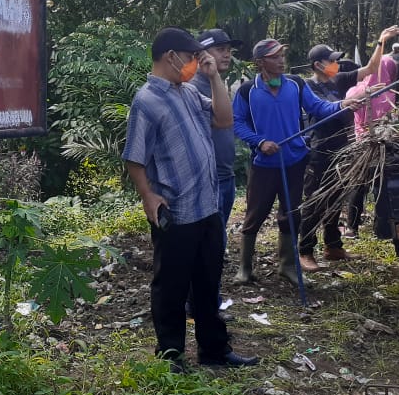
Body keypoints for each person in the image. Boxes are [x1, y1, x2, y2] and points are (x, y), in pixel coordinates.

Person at [123, 27, 258, 372]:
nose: (197, 63)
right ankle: (171, 356)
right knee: (171, 286)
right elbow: (134, 157)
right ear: (171, 57)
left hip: (207, 206)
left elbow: (224, 119)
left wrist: (214, 79)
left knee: (207, 283)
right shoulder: (146, 100)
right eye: (192, 57)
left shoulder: (186, 92)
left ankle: (214, 350)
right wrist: (147, 195)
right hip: (177, 209)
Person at [232, 38, 356, 286]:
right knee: (255, 215)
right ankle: (245, 268)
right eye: (275, 56)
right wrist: (259, 141)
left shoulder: (295, 85)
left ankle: (287, 266)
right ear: (260, 63)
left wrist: (342, 104)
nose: (281, 60)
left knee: (290, 214)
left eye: (282, 55)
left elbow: (319, 108)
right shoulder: (248, 90)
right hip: (265, 164)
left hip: (295, 161)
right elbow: (237, 122)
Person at [298, 26, 399, 271]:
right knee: (315, 201)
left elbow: (370, 70)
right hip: (320, 151)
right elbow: (324, 108)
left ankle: (333, 246)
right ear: (317, 65)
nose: (336, 64)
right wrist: (351, 101)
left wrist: (380, 42)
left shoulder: (338, 79)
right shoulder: (308, 87)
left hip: (342, 149)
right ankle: (305, 250)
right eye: (331, 61)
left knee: (335, 198)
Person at [343, 53, 399, 236]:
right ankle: (381, 227)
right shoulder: (394, 93)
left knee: (358, 185)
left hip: (362, 144)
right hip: (386, 144)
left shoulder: (355, 91)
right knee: (381, 185)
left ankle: (352, 227)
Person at [193, 28, 244, 256]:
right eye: (220, 49)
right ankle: (205, 292)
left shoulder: (218, 85)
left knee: (217, 239)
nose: (227, 55)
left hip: (226, 176)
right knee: (208, 243)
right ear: (201, 54)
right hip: (207, 180)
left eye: (229, 50)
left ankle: (211, 290)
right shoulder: (193, 88)